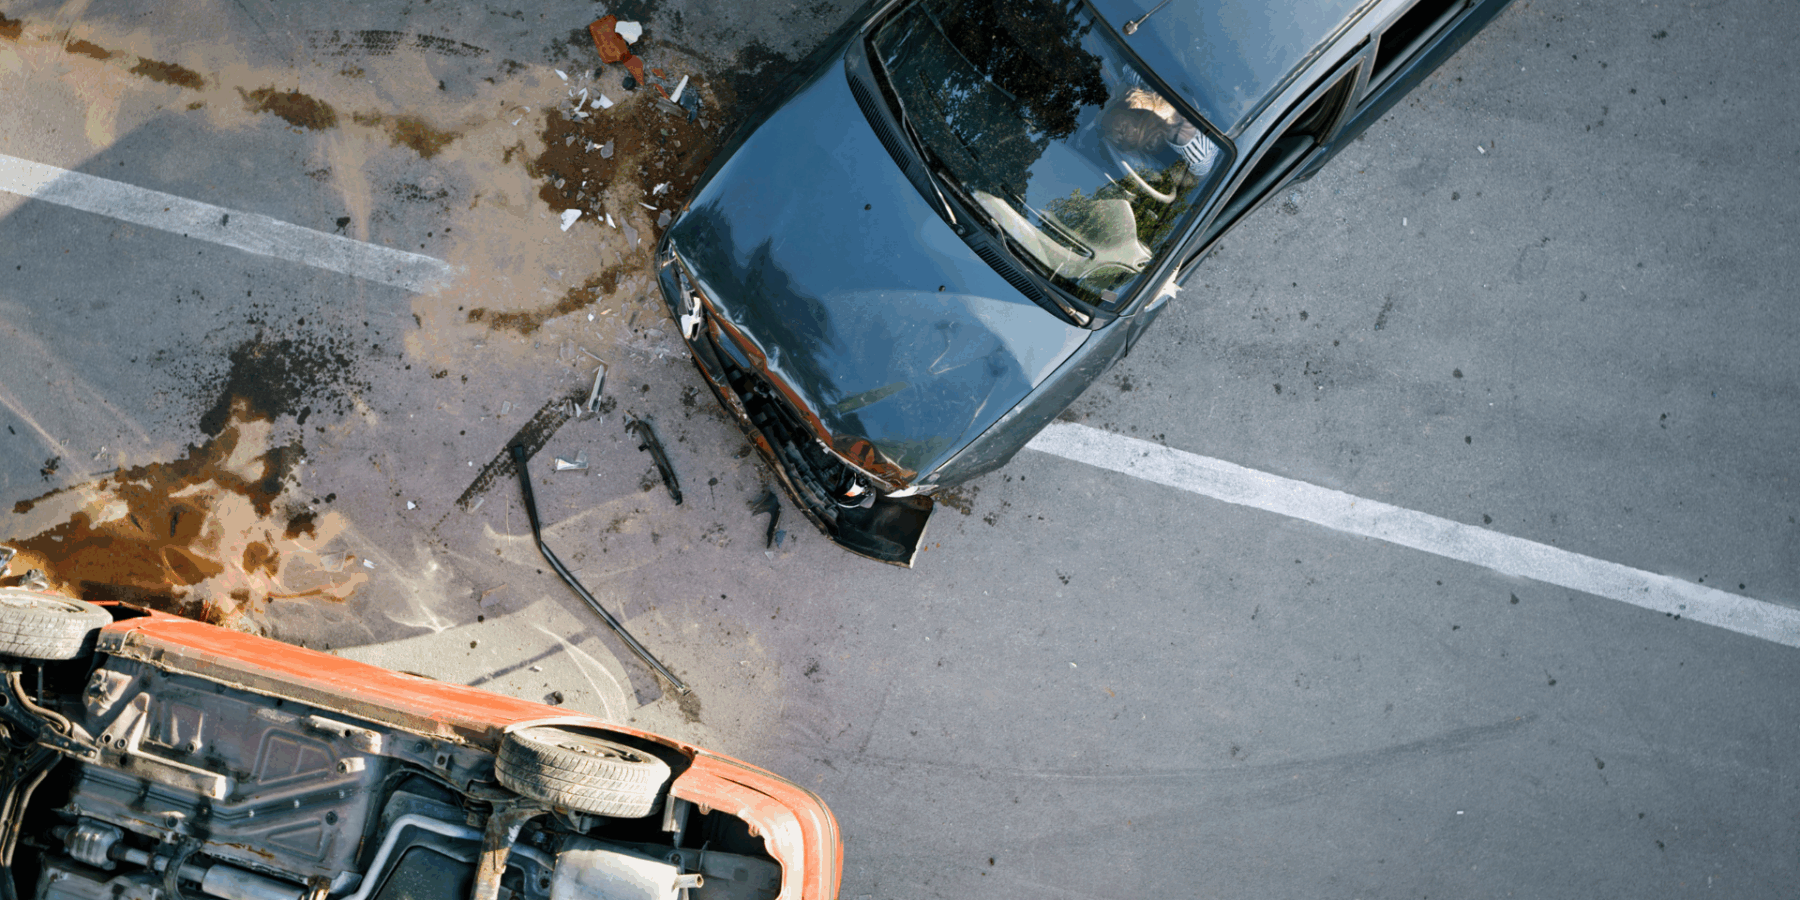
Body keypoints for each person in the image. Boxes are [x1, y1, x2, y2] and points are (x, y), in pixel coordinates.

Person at [1101, 86, 1219, 179]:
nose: (1121, 135)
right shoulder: (1142, 83)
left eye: (1123, 129)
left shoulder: (1198, 153)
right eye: (1121, 140)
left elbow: (1199, 180)